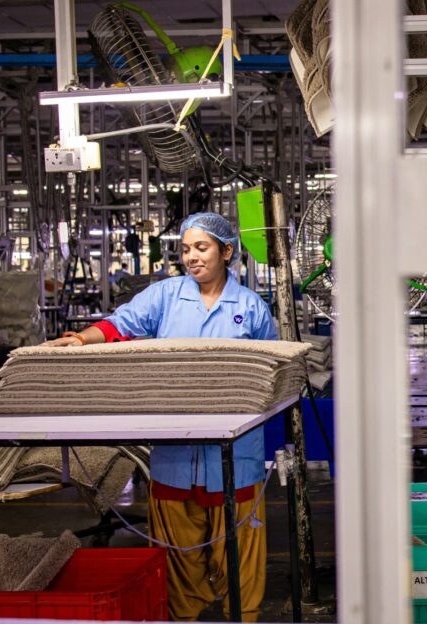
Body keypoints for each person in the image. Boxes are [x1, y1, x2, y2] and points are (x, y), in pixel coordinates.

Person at [43, 212, 274, 622]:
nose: (192, 257)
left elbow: (271, 371)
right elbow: (120, 325)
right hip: (175, 455)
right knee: (179, 558)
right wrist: (81, 338)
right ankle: (184, 616)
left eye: (201, 248)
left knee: (238, 554)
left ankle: (245, 617)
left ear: (226, 251)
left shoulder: (251, 307)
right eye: (185, 249)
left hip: (236, 458)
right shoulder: (165, 296)